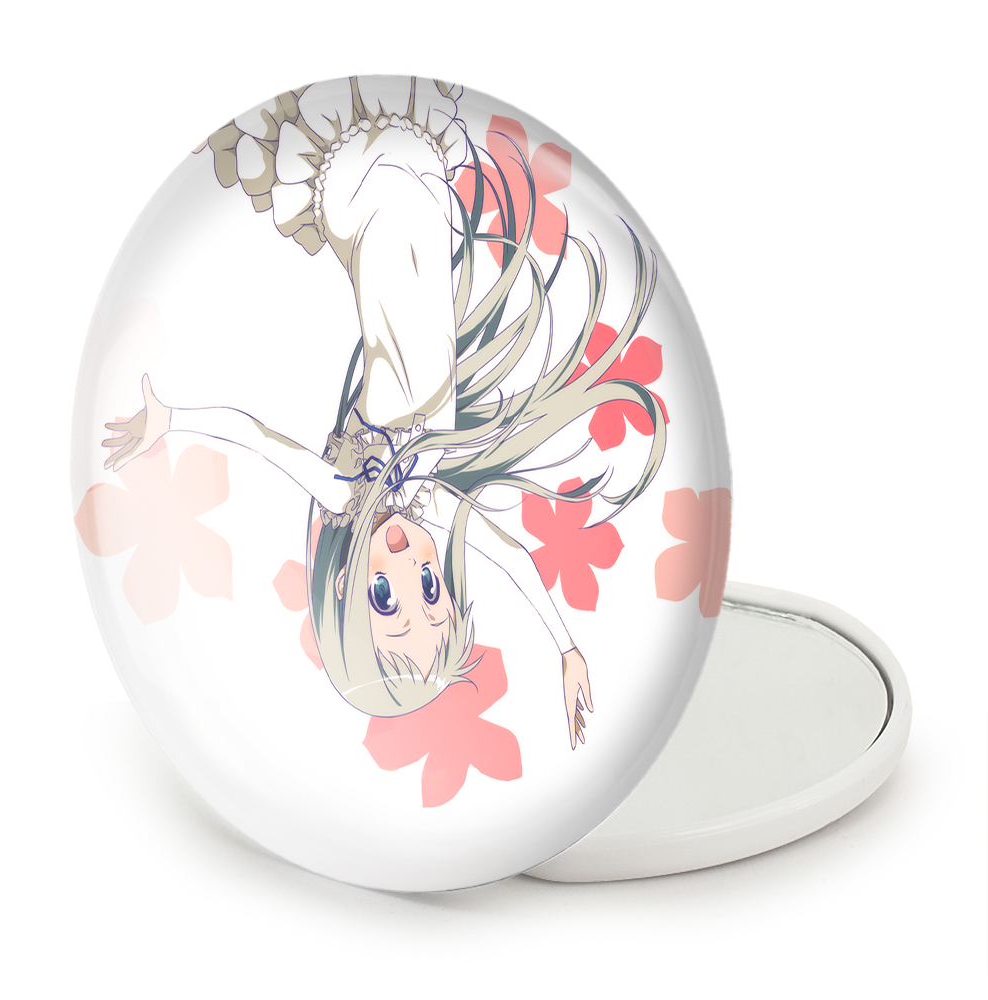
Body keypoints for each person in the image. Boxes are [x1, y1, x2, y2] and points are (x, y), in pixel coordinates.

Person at [104, 76, 666, 749]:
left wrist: (170, 419)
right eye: (429, 587)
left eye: (385, 599)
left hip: (367, 200)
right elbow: (514, 555)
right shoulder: (432, 499)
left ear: (345, 585)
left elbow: (259, 439)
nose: (406, 562)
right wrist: (567, 646)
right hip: (420, 192)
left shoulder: (344, 491)